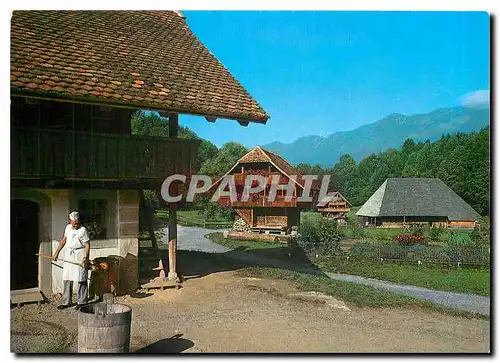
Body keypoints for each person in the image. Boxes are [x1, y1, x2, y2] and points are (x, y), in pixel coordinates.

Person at [52, 211, 91, 310]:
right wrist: (56, 252)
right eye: (74, 223)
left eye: (77, 223)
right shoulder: (68, 228)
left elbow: (87, 245)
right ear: (70, 221)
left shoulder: (83, 230)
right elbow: (64, 240)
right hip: (69, 255)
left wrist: (85, 258)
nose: (76, 225)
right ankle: (66, 302)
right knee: (67, 277)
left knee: (81, 278)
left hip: (79, 255)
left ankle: (82, 302)